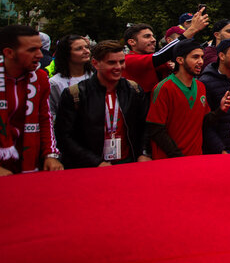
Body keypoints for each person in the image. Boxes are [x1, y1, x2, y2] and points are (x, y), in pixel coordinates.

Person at [54, 40, 150, 168]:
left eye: (121, 62)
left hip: (127, 162)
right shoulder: (75, 94)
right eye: (111, 62)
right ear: (95, 63)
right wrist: (96, 162)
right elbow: (64, 137)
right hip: (90, 167)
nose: (118, 67)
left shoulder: (134, 90)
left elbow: (145, 126)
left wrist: (143, 153)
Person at [146, 39, 230, 159]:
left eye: (202, 57)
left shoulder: (200, 86)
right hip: (169, 161)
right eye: (195, 57)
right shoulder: (164, 88)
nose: (201, 61)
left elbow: (202, 122)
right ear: (180, 60)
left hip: (194, 158)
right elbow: (156, 129)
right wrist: (178, 156)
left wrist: (220, 110)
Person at [0, 25, 63, 175]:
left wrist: (50, 155)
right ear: (9, 53)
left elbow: (45, 119)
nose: (40, 55)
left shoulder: (40, 78)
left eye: (40, 48)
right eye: (31, 50)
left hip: (28, 163)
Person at [123, 8, 209, 93]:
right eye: (147, 36)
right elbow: (160, 56)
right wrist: (192, 29)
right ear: (132, 42)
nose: (153, 40)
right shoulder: (128, 60)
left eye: (153, 36)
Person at [48, 35, 93, 121]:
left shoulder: (95, 76)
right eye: (79, 49)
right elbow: (51, 112)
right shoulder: (55, 82)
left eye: (87, 47)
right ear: (67, 53)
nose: (86, 51)